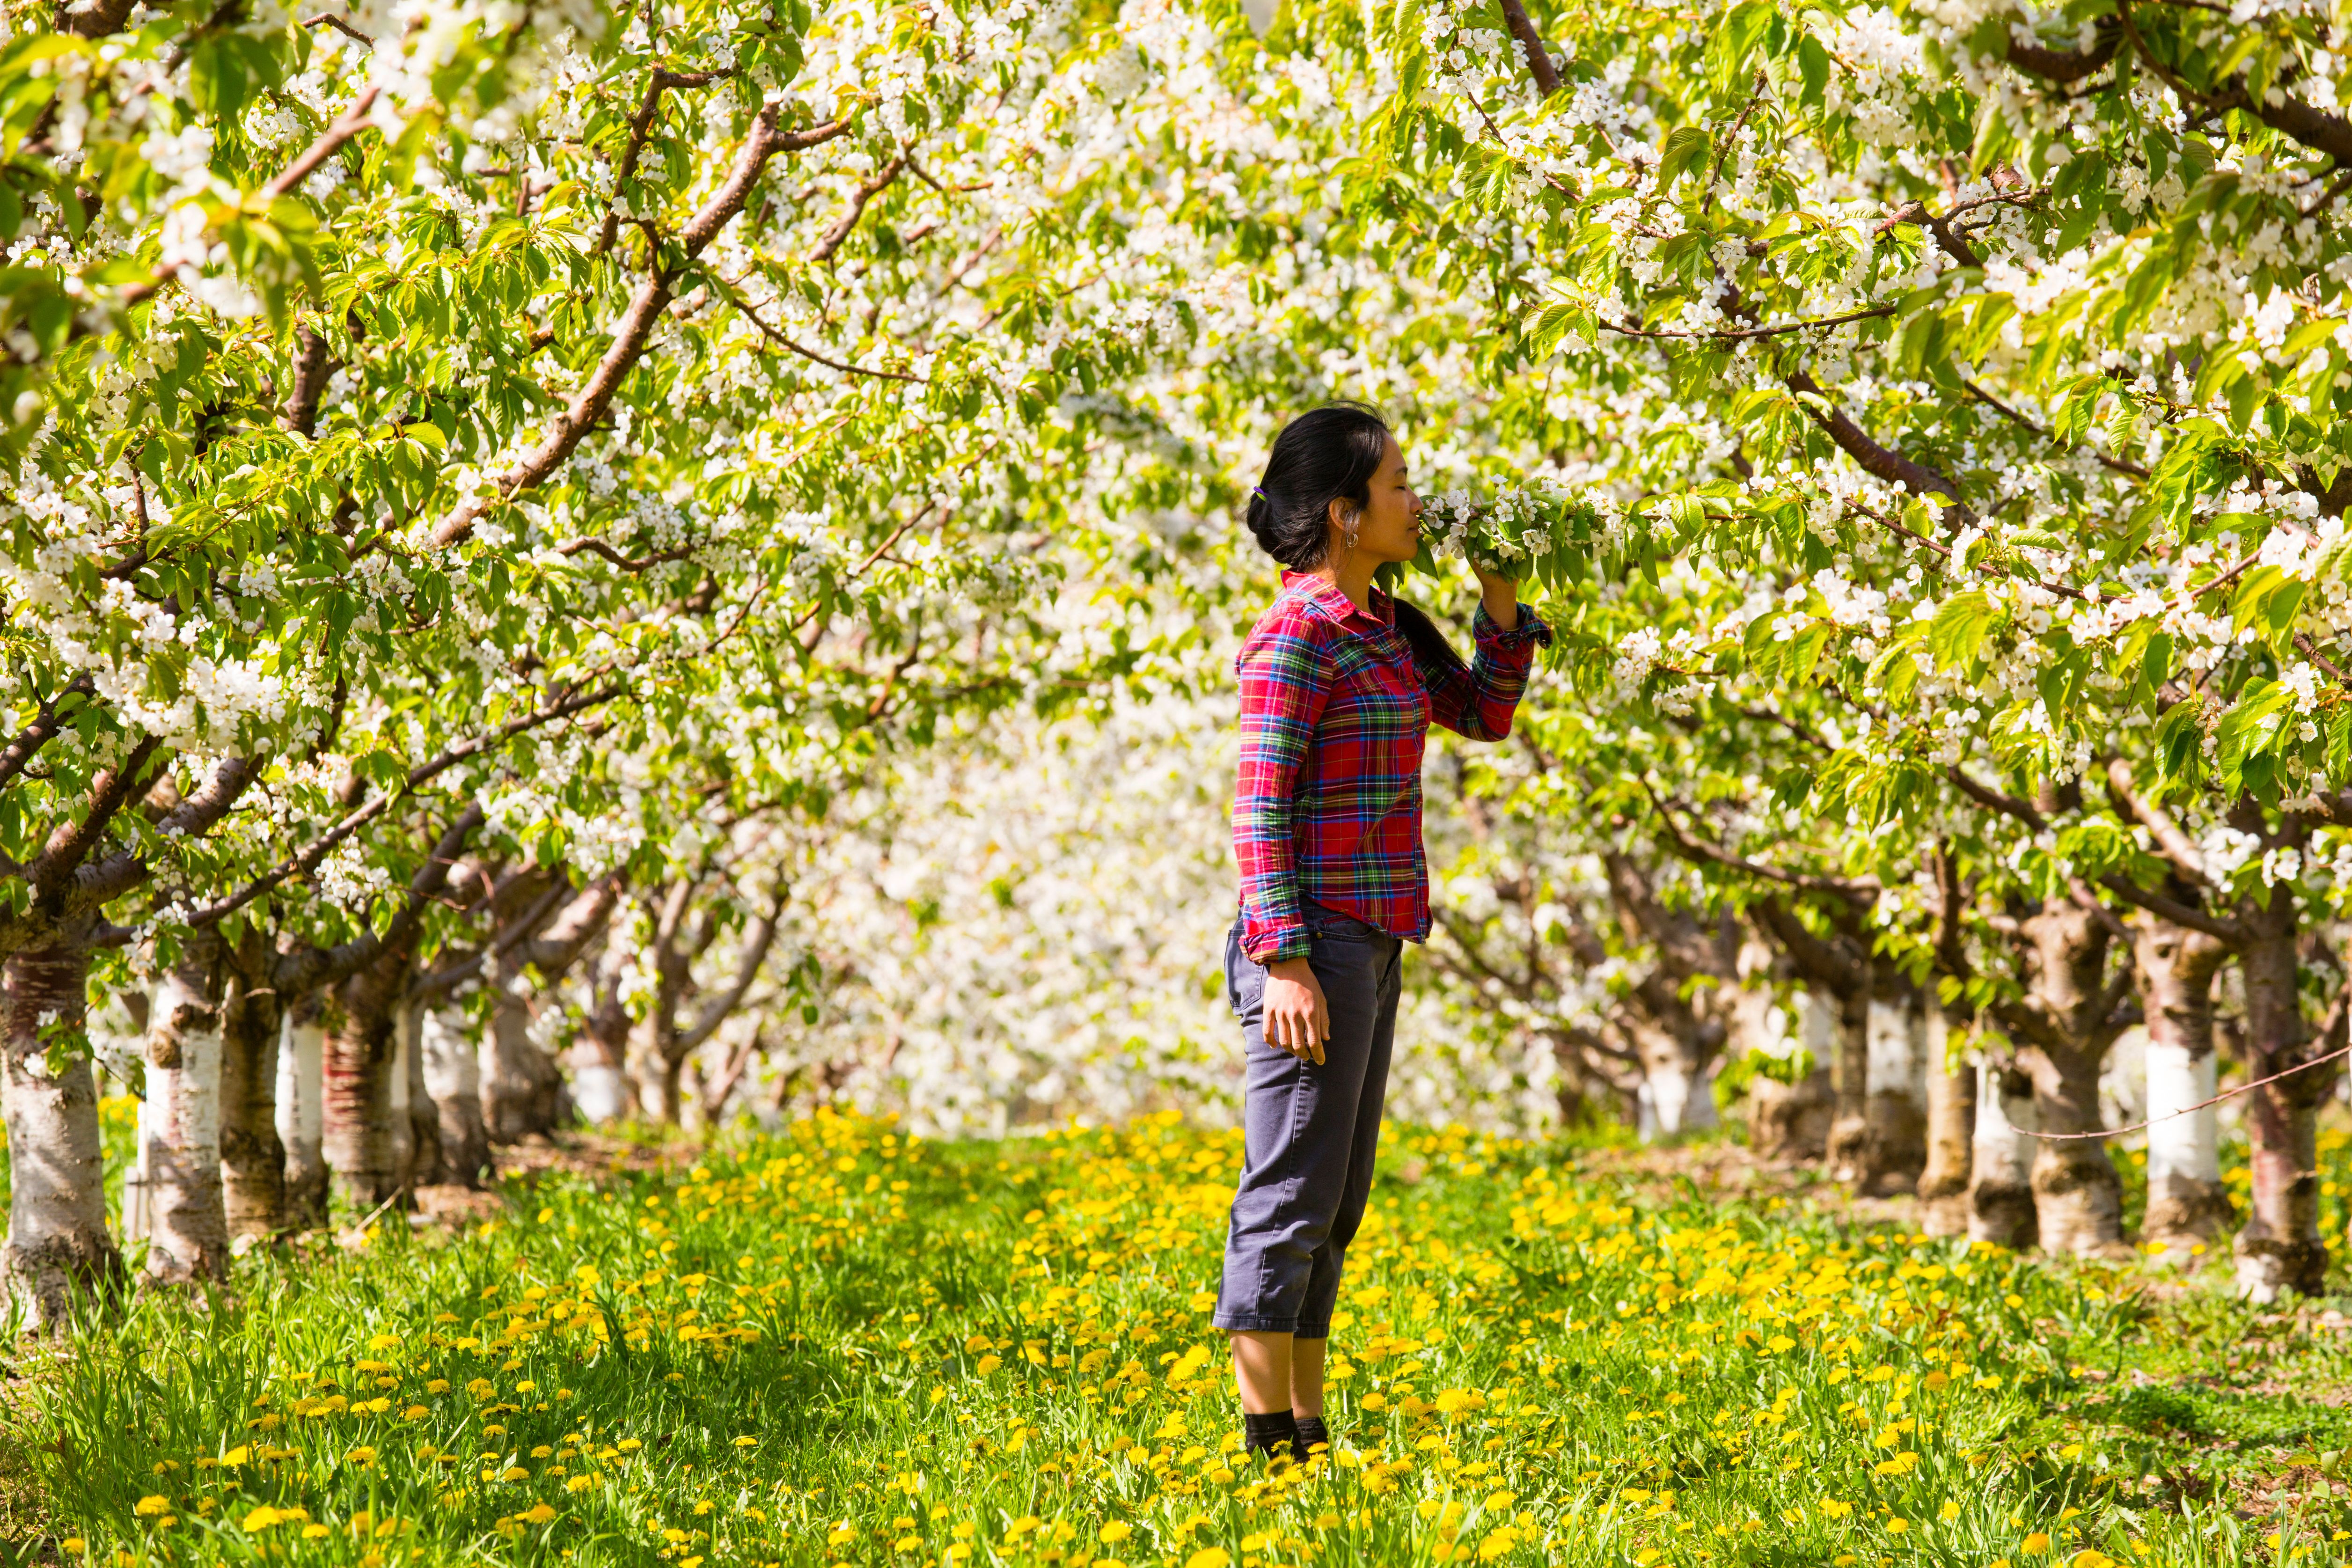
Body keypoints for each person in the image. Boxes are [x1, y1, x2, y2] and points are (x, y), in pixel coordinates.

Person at [1216, 403, 1551, 1463]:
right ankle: (1267, 1448)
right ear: (1342, 512)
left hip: (1370, 937)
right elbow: (1258, 802)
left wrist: (1501, 599)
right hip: (1310, 943)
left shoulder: (1384, 626)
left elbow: (1484, 713)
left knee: (1336, 1196)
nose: (1419, 503)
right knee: (1287, 1190)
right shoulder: (1297, 635)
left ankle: (1306, 1429)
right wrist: (1283, 959)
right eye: (1399, 486)